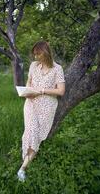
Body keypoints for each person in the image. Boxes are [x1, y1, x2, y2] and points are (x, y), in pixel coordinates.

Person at [17, 41, 65, 182]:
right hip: (31, 103)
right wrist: (27, 91)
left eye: (39, 54)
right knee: (31, 131)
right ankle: (22, 169)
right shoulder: (33, 65)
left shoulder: (57, 69)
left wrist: (42, 91)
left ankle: (24, 164)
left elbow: (61, 91)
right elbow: (29, 82)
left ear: (46, 53)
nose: (36, 57)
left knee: (36, 135)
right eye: (35, 54)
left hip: (47, 106)